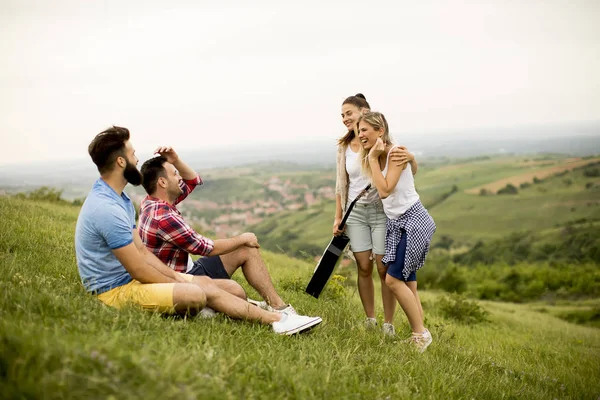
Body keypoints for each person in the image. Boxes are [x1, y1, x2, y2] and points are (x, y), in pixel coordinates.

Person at [74, 126, 321, 335]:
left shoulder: (122, 200)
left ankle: (273, 316)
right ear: (121, 162)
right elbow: (137, 268)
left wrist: (180, 278)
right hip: (114, 292)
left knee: (221, 288)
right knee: (195, 294)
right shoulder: (107, 208)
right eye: (133, 154)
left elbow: (143, 254)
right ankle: (278, 322)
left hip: (135, 279)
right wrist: (184, 283)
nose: (137, 159)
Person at [138, 146, 295, 314]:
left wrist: (175, 159)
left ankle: (279, 307)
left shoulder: (153, 201)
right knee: (236, 291)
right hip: (178, 282)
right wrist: (243, 237)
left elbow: (192, 180)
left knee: (245, 251)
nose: (179, 177)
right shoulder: (163, 216)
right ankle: (217, 307)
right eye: (175, 173)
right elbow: (206, 248)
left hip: (186, 270)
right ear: (162, 182)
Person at [334, 93, 418, 335]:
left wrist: (412, 158)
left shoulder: (383, 143)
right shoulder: (344, 148)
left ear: (365, 111)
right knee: (363, 267)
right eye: (342, 115)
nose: (345, 118)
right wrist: (338, 217)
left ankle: (388, 324)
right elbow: (340, 184)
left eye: (349, 113)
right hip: (356, 213)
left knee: (383, 268)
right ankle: (370, 319)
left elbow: (408, 170)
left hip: (382, 213)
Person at [357, 112, 435, 352]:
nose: (360, 135)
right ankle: (421, 334)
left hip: (414, 220)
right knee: (408, 282)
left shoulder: (394, 153)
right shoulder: (382, 155)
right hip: (397, 223)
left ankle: (420, 335)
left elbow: (385, 190)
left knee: (392, 279)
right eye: (359, 131)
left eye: (365, 130)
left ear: (380, 131)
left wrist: (372, 159)